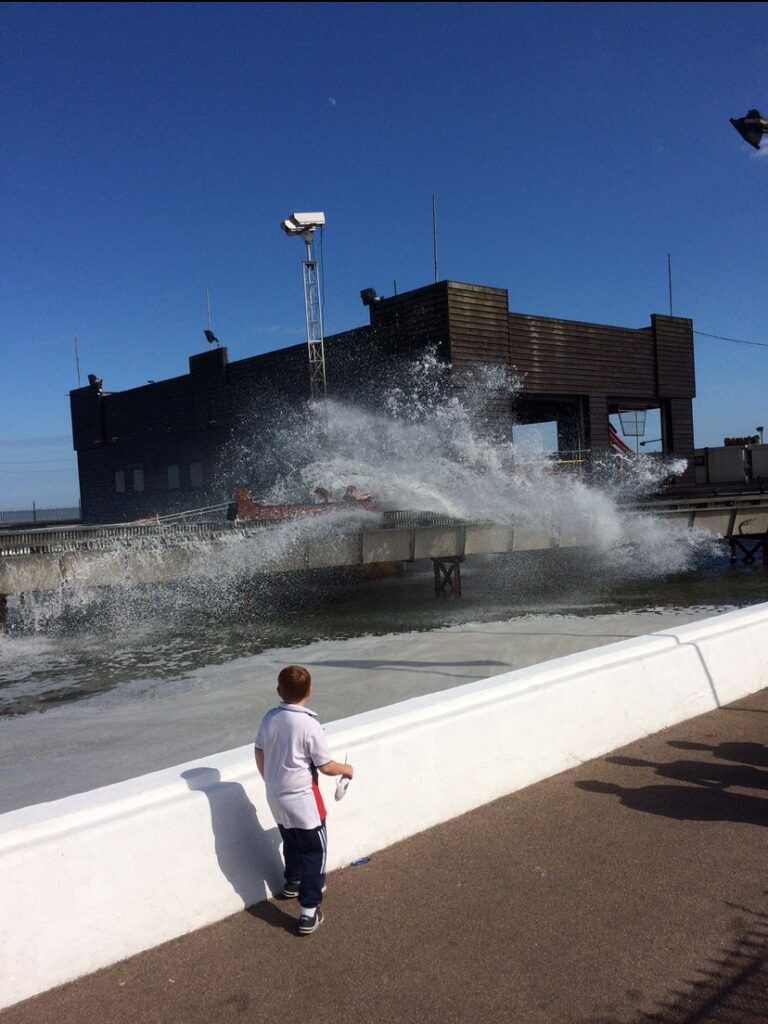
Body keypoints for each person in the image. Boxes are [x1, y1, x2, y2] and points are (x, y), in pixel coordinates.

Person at [254, 665, 353, 935]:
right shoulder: (309, 724)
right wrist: (348, 770)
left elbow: (259, 750)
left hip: (276, 795)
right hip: (303, 799)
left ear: (278, 691)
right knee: (315, 851)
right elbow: (326, 766)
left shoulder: (269, 718)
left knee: (291, 839)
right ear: (310, 691)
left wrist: (270, 780)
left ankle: (292, 882)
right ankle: (309, 911)